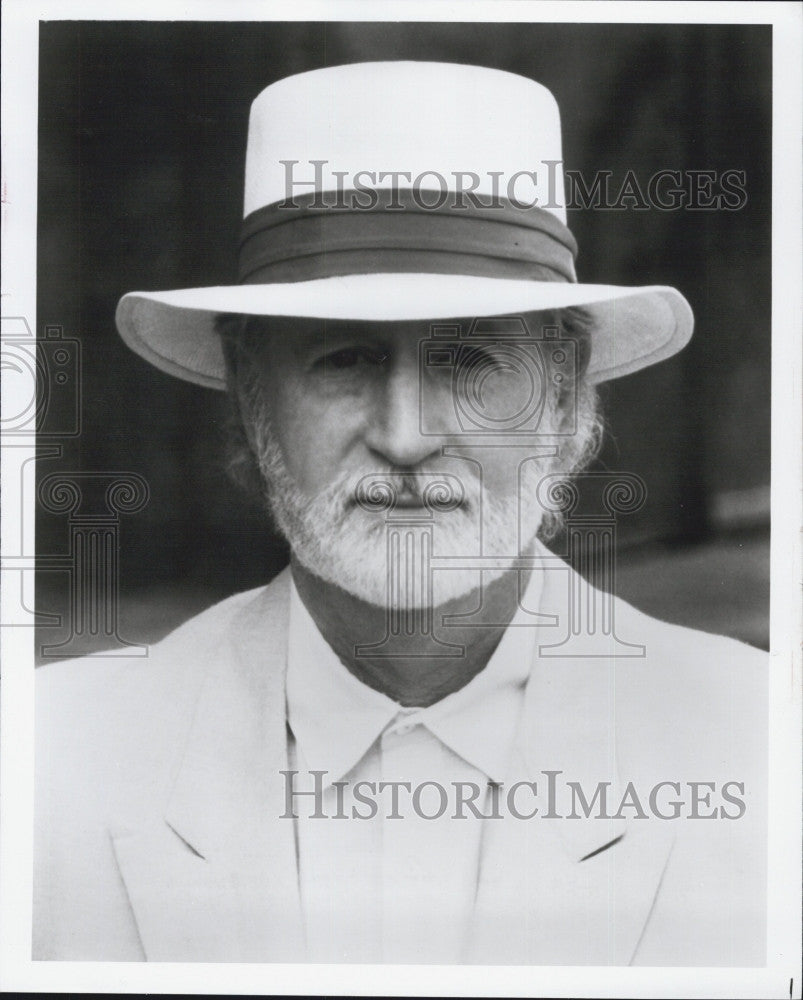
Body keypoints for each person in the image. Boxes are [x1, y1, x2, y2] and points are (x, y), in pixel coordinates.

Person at [34, 60, 767, 965]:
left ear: (568, 395)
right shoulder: (45, 760)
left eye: (468, 364)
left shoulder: (761, 745)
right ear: (249, 391)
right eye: (344, 358)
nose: (406, 436)